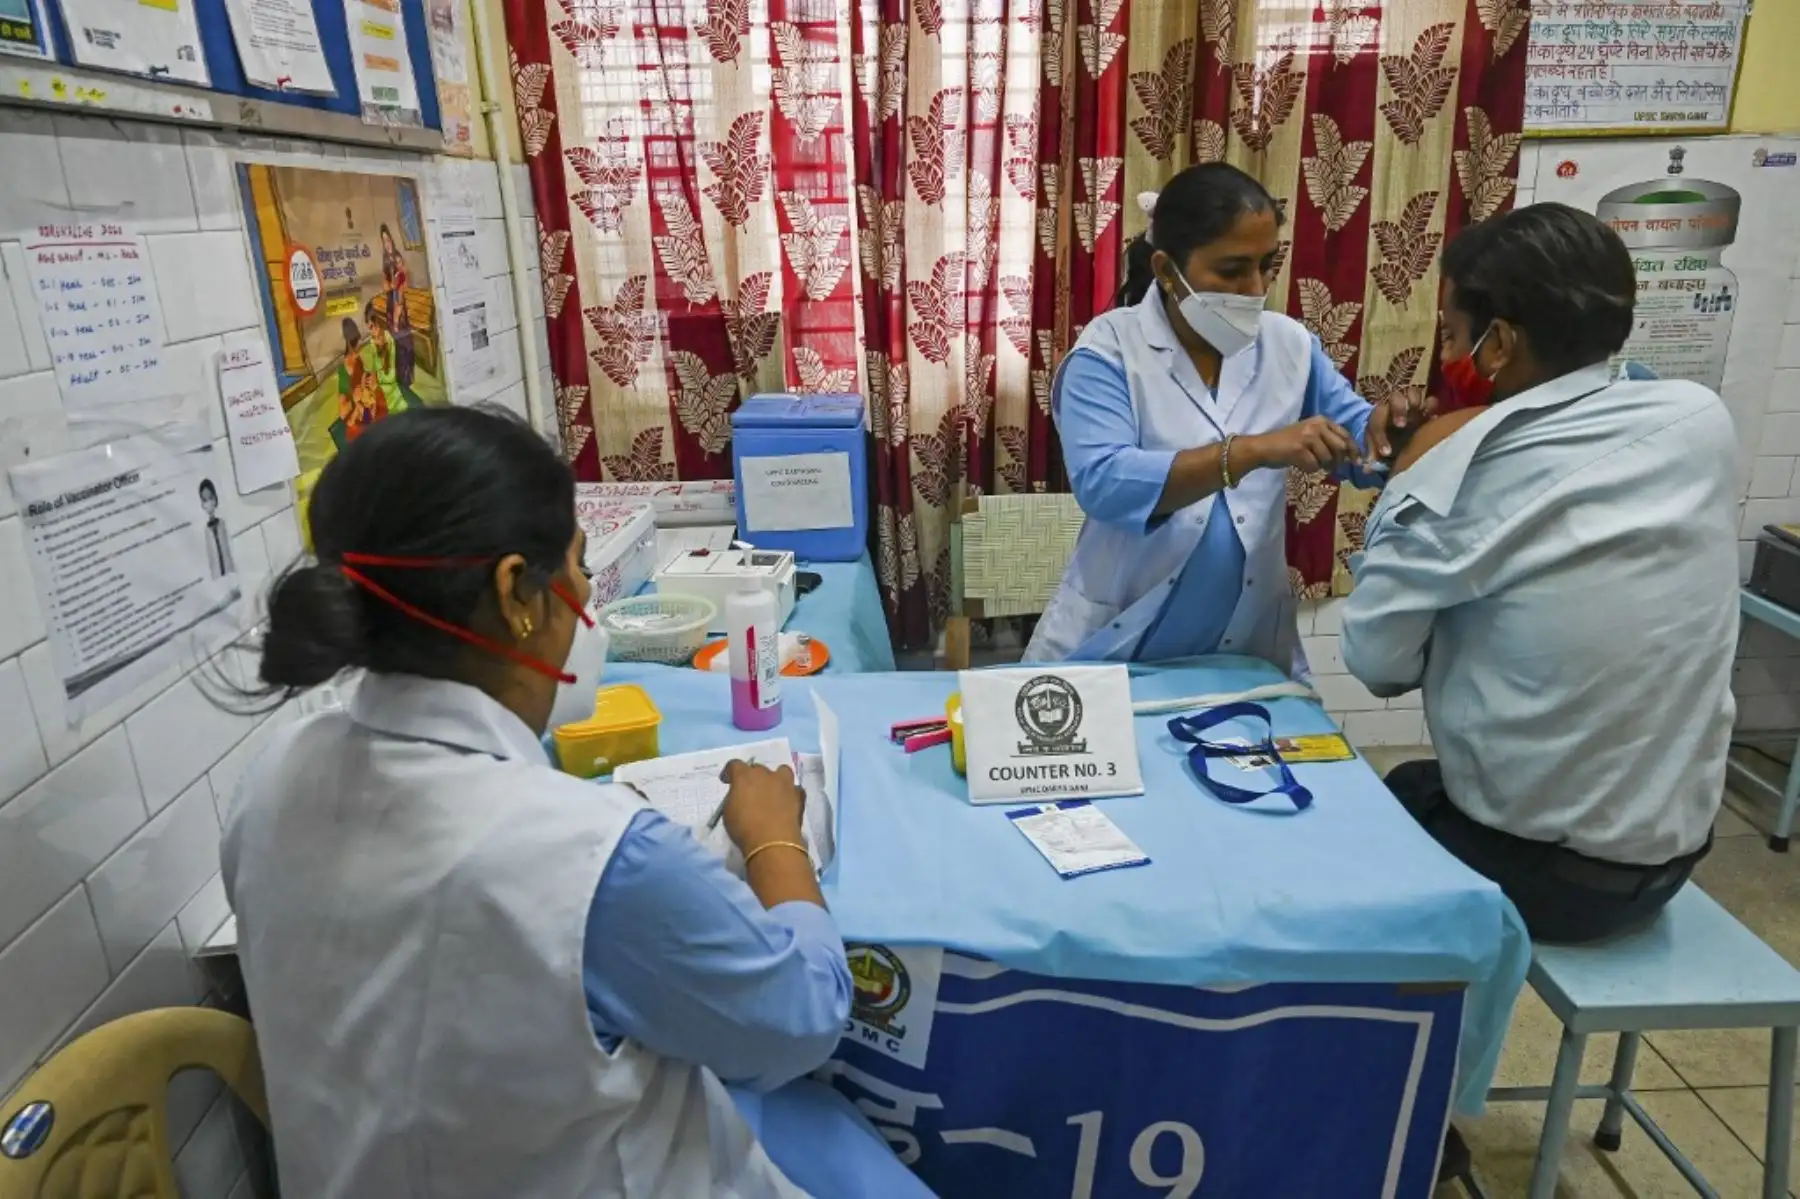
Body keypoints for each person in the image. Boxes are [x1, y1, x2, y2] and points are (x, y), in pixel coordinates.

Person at [216, 406, 931, 1198]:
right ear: (518, 592)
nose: (589, 594)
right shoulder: (594, 857)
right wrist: (773, 840)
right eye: (581, 565)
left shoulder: (276, 774)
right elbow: (802, 1017)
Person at [1342, 202, 1739, 944]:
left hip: (1550, 879)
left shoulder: (1454, 478)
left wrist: (1416, 471)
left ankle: (1411, 1030)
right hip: (1679, 853)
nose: (1448, 354)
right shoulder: (1699, 419)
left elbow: (1377, 663)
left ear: (1502, 345)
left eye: (1455, 336)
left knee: (1381, 799)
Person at [1025, 162, 1428, 672]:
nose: (1254, 288)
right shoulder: (1109, 353)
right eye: (1232, 270)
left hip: (1245, 648)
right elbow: (1106, 483)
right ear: (1168, 270)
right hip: (1119, 641)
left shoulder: (1289, 346)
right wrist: (1250, 451)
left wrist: (1389, 434)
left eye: (1266, 265)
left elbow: (1355, 444)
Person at [379, 223, 417, 387]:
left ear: (391, 240)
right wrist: (388, 285)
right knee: (396, 341)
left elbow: (404, 280)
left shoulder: (397, 257)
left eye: (388, 239)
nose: (386, 243)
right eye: (383, 240)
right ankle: (401, 378)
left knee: (405, 340)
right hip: (390, 302)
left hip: (399, 302)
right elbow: (385, 283)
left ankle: (408, 377)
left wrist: (398, 284)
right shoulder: (385, 259)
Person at [198, 478, 233, 578]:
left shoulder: (223, 523)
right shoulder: (205, 531)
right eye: (204, 500)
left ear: (215, 498)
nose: (208, 503)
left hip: (230, 573)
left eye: (211, 498)